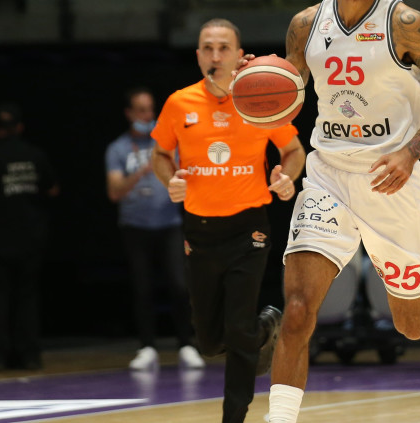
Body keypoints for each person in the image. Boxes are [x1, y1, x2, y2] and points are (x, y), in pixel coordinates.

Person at [246, 2, 420, 422]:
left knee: (412, 324)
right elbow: (288, 91)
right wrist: (255, 79)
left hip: (391, 179)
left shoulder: (405, 23)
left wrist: (411, 151)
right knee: (297, 309)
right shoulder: (306, 24)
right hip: (328, 176)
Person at [150, 19, 306, 423]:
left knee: (237, 328)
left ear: (239, 54)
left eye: (223, 48)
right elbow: (160, 155)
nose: (215, 55)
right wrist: (171, 180)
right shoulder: (179, 103)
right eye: (207, 48)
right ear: (198, 55)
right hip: (200, 231)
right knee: (208, 342)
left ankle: (233, 417)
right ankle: (265, 328)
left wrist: (286, 178)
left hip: (248, 228)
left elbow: (293, 150)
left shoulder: (258, 99)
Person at [105, 87, 204, 371]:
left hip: (169, 224)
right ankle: (147, 346)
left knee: (179, 285)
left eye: (150, 109)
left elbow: (188, 176)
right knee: (142, 287)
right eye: (141, 110)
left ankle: (186, 344)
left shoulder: (168, 144)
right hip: (135, 227)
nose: (147, 115)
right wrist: (141, 171)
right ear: (129, 113)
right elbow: (114, 191)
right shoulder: (118, 149)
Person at [0, 102, 59, 370]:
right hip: (31, 237)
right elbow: (53, 189)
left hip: (3, 238)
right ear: (20, 127)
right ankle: (30, 355)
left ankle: (2, 356)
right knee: (27, 297)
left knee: (2, 298)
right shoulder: (34, 155)